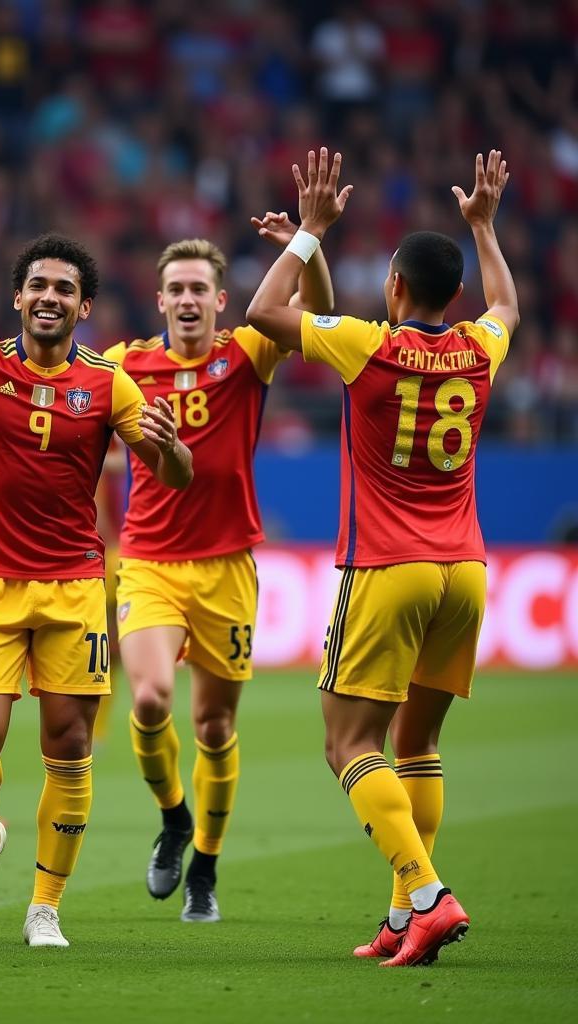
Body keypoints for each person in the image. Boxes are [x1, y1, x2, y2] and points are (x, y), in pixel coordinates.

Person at [0, 233, 193, 948]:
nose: (49, 297)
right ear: (18, 297)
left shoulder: (110, 383)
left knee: (70, 740)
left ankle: (45, 906)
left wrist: (170, 445)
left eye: (64, 289)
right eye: (38, 286)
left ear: (84, 306)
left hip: (75, 584)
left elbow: (175, 476)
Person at [246, 148, 518, 967]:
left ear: (394, 288)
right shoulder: (479, 346)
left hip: (388, 568)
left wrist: (311, 236)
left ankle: (427, 894)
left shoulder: (369, 345)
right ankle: (404, 917)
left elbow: (263, 312)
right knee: (419, 745)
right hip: (465, 573)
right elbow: (508, 300)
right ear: (454, 294)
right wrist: (486, 226)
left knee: (348, 741)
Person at [103, 225, 333, 923]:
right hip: (148, 562)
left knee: (212, 727)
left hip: (228, 566)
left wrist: (310, 241)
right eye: (175, 289)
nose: (187, 299)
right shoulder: (125, 365)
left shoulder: (248, 352)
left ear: (221, 300)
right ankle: (174, 817)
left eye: (199, 288)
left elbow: (320, 318)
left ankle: (204, 861)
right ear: (160, 300)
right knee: (148, 700)